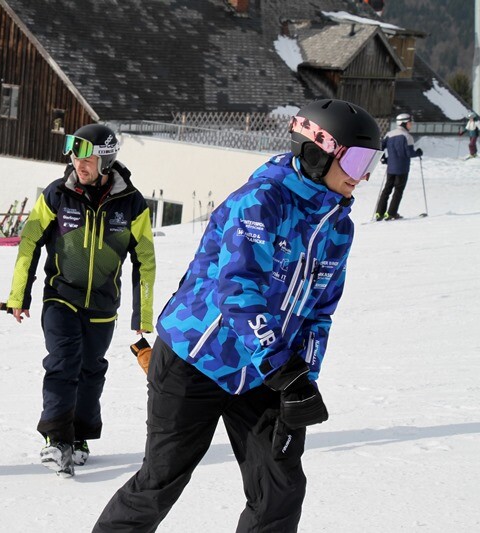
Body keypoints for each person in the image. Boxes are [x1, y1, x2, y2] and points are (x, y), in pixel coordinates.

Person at [93, 99, 383, 532]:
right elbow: (238, 289)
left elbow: (319, 313)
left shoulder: (338, 227)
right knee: (160, 482)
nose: (363, 176)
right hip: (196, 359)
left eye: (371, 163)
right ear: (317, 153)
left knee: (280, 489)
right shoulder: (261, 201)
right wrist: (285, 370)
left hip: (263, 372)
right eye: (357, 161)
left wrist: (303, 381)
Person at [4, 123, 156, 478]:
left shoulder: (132, 203)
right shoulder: (57, 194)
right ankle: (56, 439)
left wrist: (142, 313)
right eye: (74, 157)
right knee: (62, 362)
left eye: (86, 158)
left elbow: (145, 259)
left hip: (104, 304)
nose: (78, 164)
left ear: (106, 160)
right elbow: (29, 241)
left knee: (91, 370)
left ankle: (80, 437)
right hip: (61, 297)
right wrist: (19, 295)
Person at [374, 113, 422, 221]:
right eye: (409, 123)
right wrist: (418, 153)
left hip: (391, 168)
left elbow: (380, 147)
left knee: (386, 190)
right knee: (398, 191)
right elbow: (409, 153)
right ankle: (391, 213)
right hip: (402, 168)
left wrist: (383, 159)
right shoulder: (407, 136)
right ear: (404, 123)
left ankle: (379, 213)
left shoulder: (389, 134)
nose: (411, 125)